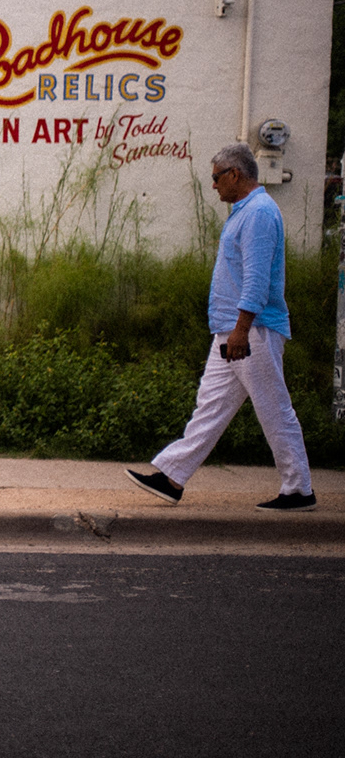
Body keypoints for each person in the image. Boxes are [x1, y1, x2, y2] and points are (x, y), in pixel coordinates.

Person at [127, 143, 316, 511]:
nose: (213, 186)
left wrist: (242, 328)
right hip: (232, 329)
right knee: (210, 407)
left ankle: (299, 489)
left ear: (235, 175)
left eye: (216, 178)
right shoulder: (246, 212)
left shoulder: (259, 213)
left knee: (274, 408)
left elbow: (257, 278)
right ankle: (171, 478)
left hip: (251, 330)